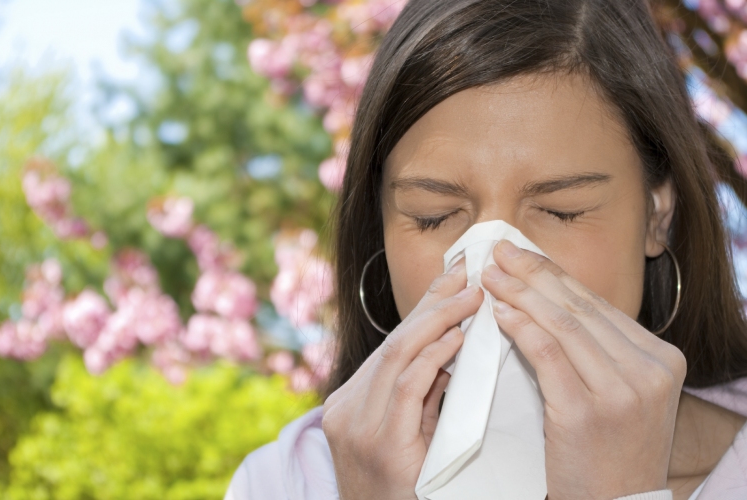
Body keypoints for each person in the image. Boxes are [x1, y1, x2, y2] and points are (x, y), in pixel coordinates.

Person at [225, 0, 747, 498]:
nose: (493, 261)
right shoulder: (287, 482)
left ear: (657, 215)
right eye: (434, 217)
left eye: (562, 210)